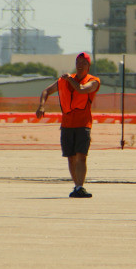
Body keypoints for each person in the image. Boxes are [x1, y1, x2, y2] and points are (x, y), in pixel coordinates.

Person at [36, 52, 101, 198]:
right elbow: (46, 91)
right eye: (78, 62)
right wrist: (41, 105)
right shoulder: (63, 80)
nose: (80, 65)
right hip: (67, 125)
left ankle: (80, 186)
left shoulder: (94, 81)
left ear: (88, 66)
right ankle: (77, 187)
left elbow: (82, 89)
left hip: (83, 124)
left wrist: (70, 80)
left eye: (83, 62)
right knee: (71, 157)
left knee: (81, 156)